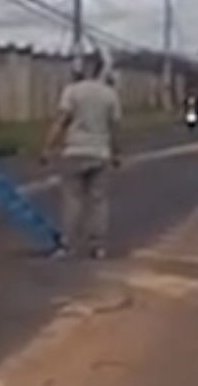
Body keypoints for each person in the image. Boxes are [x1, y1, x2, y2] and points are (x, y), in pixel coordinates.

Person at [41, 56, 122, 259]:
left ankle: (68, 244)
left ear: (84, 68)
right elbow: (115, 128)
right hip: (100, 152)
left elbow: (61, 121)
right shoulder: (110, 95)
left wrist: (47, 147)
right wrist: (117, 153)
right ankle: (98, 246)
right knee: (98, 201)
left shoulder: (72, 91)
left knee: (72, 200)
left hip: (75, 151)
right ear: (101, 70)